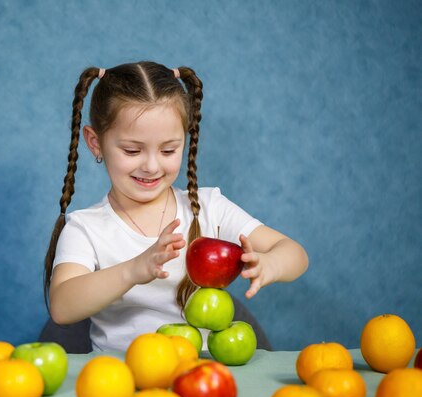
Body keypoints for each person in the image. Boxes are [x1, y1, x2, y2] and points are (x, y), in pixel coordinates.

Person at [43, 61, 308, 351]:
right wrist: (133, 270)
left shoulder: (208, 209)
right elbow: (62, 306)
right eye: (132, 150)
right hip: (121, 381)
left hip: (201, 377)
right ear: (95, 143)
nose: (152, 165)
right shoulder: (86, 227)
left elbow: (295, 254)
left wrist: (271, 263)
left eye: (168, 150)